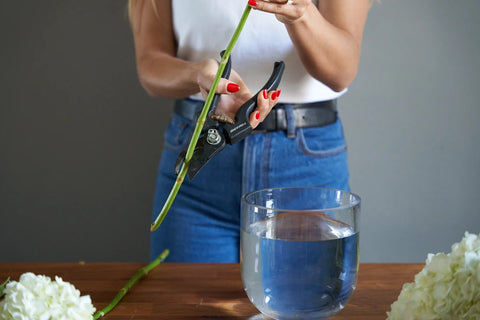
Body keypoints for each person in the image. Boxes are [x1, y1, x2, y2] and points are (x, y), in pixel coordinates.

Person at [128, 0, 370, 262]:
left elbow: (341, 71)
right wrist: (198, 75)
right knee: (185, 299)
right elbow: (150, 64)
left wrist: (300, 13)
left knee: (308, 299)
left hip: (304, 168)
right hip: (199, 156)